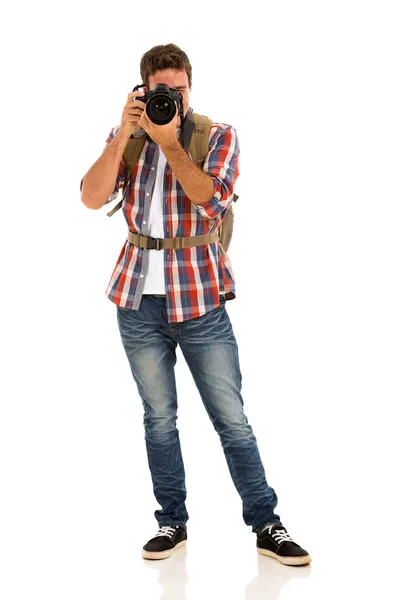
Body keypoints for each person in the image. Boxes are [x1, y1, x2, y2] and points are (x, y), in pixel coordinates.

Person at [80, 43, 311, 566]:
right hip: (137, 298)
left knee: (232, 418)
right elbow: (92, 197)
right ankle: (171, 523)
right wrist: (124, 135)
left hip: (201, 297)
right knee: (158, 417)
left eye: (178, 91)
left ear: (190, 88)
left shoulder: (218, 136)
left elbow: (210, 199)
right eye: (160, 92)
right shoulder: (129, 138)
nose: (171, 100)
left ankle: (266, 523)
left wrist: (171, 143)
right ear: (143, 90)